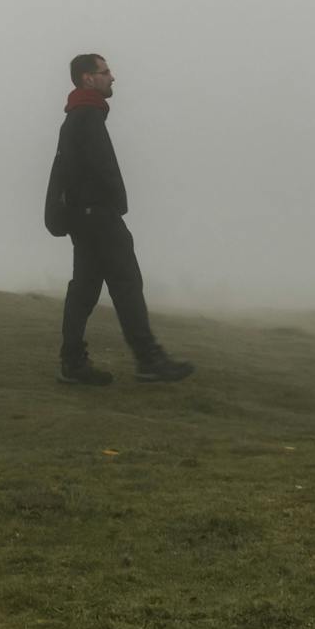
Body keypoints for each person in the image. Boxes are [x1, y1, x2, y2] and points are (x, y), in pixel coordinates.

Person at [44, 53, 195, 386]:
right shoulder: (86, 116)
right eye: (105, 71)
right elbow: (98, 170)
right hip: (98, 218)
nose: (112, 77)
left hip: (86, 219)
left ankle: (73, 363)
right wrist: (111, 206)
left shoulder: (79, 115)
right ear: (87, 78)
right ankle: (148, 360)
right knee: (126, 284)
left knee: (84, 289)